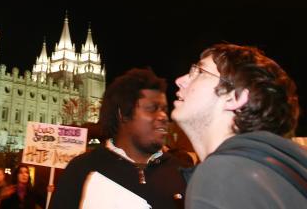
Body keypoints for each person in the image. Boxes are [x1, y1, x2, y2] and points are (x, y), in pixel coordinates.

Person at [172, 43, 307, 208]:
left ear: (235, 98)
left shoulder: (223, 174)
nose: (180, 81)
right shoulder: (278, 176)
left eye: (199, 72)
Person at [49, 68, 187, 209]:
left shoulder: (183, 173)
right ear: (123, 114)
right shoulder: (81, 170)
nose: (163, 116)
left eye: (164, 109)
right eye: (152, 108)